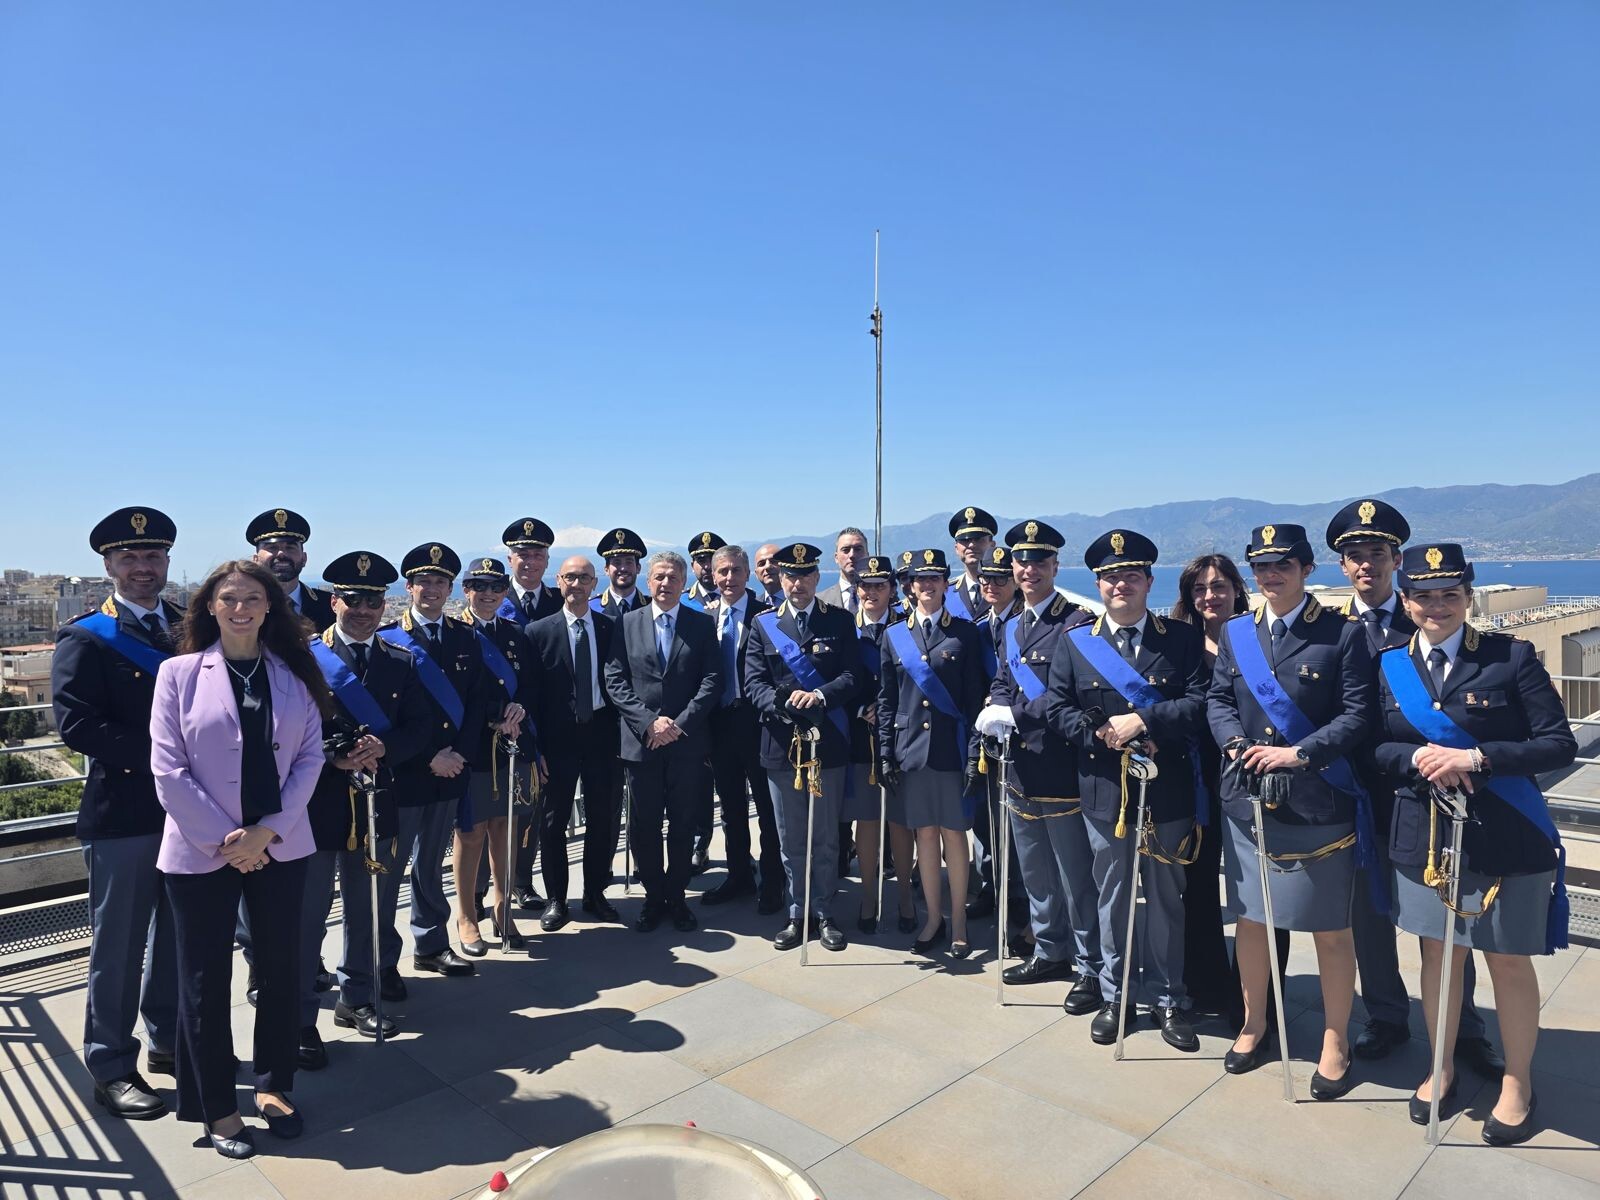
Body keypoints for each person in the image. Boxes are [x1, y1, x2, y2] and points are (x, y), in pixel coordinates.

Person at [1372, 543, 1575, 1144]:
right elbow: (1373, 749)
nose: (1438, 605)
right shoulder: (1389, 666)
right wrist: (1414, 756)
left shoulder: (1511, 659)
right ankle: (1440, 1066)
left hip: (1506, 836)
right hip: (1427, 840)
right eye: (1424, 595)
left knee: (1507, 960)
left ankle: (1517, 1081)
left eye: (1450, 594)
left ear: (1468, 597)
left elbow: (1558, 743)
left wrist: (1478, 757)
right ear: (1405, 601)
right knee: (1438, 957)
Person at [149, 560, 330, 1158]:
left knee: (282, 969)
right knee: (203, 979)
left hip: (279, 845)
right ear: (209, 607)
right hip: (202, 851)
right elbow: (167, 769)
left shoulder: (293, 676)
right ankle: (216, 1109)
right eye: (229, 598)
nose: (241, 607)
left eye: (253, 597)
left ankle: (275, 1085)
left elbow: (310, 760)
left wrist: (267, 833)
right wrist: (229, 840)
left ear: (270, 607)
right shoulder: (177, 674)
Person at [1326, 500, 1499, 1075]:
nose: (1366, 564)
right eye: (1355, 556)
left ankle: (1464, 1027)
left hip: (1429, 799)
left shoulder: (1423, 622)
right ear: (1342, 567)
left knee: (1448, 918)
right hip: (1356, 797)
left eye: (1377, 553)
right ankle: (1386, 1015)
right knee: (1369, 917)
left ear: (1398, 560)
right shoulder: (1332, 630)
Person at [1208, 523, 1373, 1100]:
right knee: (1252, 921)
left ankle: (1335, 1039)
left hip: (1317, 799)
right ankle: (1255, 1025)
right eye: (1261, 566)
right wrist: (1234, 744)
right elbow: (1219, 699)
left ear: (1307, 569)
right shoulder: (1236, 633)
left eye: (1283, 564)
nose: (1270, 574)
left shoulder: (1341, 634)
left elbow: (1358, 716)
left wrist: (1299, 752)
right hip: (1247, 798)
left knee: (1330, 928)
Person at [1043, 530, 1207, 1051]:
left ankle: (1167, 998)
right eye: (1111, 577)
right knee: (1113, 897)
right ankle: (1118, 996)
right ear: (1098, 583)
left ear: (1148, 581)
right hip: (1105, 793)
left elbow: (1201, 704)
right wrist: (1095, 730)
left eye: (1131, 575)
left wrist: (1145, 721)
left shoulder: (1179, 640)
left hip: (1167, 791)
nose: (1121, 584)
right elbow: (1056, 707)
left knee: (1165, 899)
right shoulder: (1075, 642)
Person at [53, 507, 182, 1119]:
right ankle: (110, 1064)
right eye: (129, 557)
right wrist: (167, 757)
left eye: (152, 556)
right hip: (125, 813)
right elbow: (77, 724)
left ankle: (166, 1040)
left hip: (189, 816)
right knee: (120, 948)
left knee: (180, 938)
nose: (142, 567)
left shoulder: (189, 626)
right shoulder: (85, 636)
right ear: (107, 565)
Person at [304, 551, 434, 1047]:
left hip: (377, 802)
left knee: (369, 907)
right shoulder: (305, 661)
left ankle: (355, 998)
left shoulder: (400, 661)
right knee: (307, 914)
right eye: (353, 598)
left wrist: (387, 747)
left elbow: (420, 726)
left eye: (373, 600)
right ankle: (298, 1018)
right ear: (334, 600)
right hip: (315, 803)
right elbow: (282, 731)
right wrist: (326, 754)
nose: (363, 609)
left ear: (384, 605)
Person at [973, 521, 1096, 998]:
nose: (1029, 569)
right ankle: (1049, 950)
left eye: (1039, 562)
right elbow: (1005, 678)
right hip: (1018, 767)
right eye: (1021, 562)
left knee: (1073, 876)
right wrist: (993, 704)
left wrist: (1015, 713)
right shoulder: (1015, 622)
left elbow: (1071, 695)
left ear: (1054, 566)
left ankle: (1089, 964)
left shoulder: (1076, 621)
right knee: (1035, 871)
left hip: (1061, 766)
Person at [378, 544, 488, 984]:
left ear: (450, 588)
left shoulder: (464, 638)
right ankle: (382, 960)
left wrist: (459, 753)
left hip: (451, 772)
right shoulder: (388, 639)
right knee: (389, 872)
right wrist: (430, 757)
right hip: (406, 774)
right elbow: (388, 715)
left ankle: (431, 945)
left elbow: (476, 704)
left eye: (440, 581)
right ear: (409, 586)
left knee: (430, 866)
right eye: (424, 581)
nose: (432, 589)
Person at [744, 542, 861, 952]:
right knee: (790, 837)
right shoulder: (763, 625)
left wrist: (821, 697)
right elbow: (753, 683)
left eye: (805, 574)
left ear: (816, 577)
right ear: (780, 578)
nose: (797, 582)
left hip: (827, 743)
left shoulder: (841, 622)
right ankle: (798, 913)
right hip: (781, 747)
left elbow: (852, 676)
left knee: (826, 836)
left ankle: (825, 912)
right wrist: (784, 704)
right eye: (789, 575)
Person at [604, 550, 722, 933]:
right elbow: (615, 679)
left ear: (683, 582)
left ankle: (677, 896)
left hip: (686, 744)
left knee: (685, 822)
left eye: (673, 577)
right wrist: (650, 723)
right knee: (644, 824)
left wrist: (679, 724)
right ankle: (654, 897)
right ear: (647, 580)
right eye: (658, 576)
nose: (665, 583)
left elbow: (711, 680)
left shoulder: (701, 624)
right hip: (642, 743)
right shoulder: (626, 623)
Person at [877, 548, 987, 958]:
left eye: (935, 578)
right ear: (910, 585)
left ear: (945, 583)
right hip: (912, 753)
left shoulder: (965, 632)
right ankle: (933, 918)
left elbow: (975, 700)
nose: (926, 585)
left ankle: (959, 922)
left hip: (951, 751)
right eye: (919, 579)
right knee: (924, 835)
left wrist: (976, 754)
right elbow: (887, 701)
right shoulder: (894, 634)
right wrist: (885, 753)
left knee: (954, 837)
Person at [1169, 553, 1252, 1018]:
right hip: (1194, 784)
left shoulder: (1257, 638)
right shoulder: (1178, 643)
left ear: (1237, 589)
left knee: (1254, 895)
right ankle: (1202, 983)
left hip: (1246, 779)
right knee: (1197, 887)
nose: (1209, 596)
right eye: (1199, 588)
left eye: (1219, 586)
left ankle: (1253, 994)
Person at [524, 556, 623, 929]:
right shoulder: (539, 631)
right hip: (557, 741)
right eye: (570, 577)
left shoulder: (610, 627)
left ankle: (596, 894)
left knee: (603, 819)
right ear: (559, 581)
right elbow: (531, 695)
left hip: (602, 735)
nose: (577, 584)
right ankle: (556, 900)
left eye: (584, 578)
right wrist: (536, 750)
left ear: (594, 584)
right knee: (552, 823)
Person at [453, 557, 532, 954]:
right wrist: (493, 716)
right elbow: (454, 697)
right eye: (478, 586)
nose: (487, 594)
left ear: (504, 591)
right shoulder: (453, 634)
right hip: (473, 750)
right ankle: (467, 915)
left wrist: (520, 708)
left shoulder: (516, 634)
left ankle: (503, 909)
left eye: (495, 587)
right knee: (470, 833)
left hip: (511, 749)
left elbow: (531, 686)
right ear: (466, 590)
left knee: (507, 828)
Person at [701, 545, 784, 913]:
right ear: (712, 576)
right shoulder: (706, 618)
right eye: (722, 572)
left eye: (736, 570)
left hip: (759, 723)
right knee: (731, 808)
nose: (729, 578)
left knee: (767, 809)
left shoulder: (766, 615)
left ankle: (772, 881)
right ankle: (739, 875)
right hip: (720, 724)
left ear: (748, 573)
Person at [500, 517, 561, 910]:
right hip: (506, 725)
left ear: (547, 559)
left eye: (537, 554)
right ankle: (493, 887)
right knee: (500, 811)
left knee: (537, 810)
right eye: (522, 554)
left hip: (552, 722)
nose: (530, 562)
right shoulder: (492, 598)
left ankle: (523, 881)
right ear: (510, 558)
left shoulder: (560, 601)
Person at [966, 545, 1025, 924]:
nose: (991, 584)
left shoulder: (1024, 624)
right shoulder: (976, 627)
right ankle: (994, 888)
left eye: (1000, 578)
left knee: (1020, 830)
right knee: (987, 824)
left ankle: (1020, 904)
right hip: (983, 739)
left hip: (1021, 737)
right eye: (986, 577)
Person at [842, 554, 897, 931]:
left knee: (900, 820)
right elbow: (839, 678)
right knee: (866, 818)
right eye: (866, 585)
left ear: (891, 589)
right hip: (860, 737)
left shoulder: (905, 627)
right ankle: (868, 897)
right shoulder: (846, 629)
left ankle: (907, 900)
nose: (871, 592)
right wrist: (863, 706)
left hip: (900, 737)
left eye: (879, 585)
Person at [247, 509, 334, 631]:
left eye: (290, 547)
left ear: (304, 558)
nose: (281, 554)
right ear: (255, 560)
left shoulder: (329, 606)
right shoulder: (244, 607)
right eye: (272, 547)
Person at [945, 506, 997, 621]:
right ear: (956, 548)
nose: (972, 545)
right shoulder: (944, 594)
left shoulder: (1009, 589)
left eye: (978, 539)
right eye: (965, 540)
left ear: (992, 545)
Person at [592, 527, 651, 618]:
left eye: (629, 562)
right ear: (606, 569)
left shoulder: (651, 608)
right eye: (617, 562)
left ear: (638, 568)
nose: (623, 568)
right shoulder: (592, 608)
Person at [818, 527, 870, 615]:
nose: (852, 555)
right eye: (846, 550)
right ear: (836, 557)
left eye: (858, 549)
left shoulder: (882, 599)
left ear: (868, 556)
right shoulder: (819, 601)